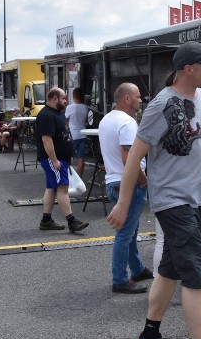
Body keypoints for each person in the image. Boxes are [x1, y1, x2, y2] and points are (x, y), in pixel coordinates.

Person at [106, 41, 201, 339]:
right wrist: (122, 203)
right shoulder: (161, 105)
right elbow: (135, 155)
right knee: (195, 275)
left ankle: (149, 336)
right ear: (187, 69)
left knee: (168, 271)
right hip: (171, 200)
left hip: (197, 198)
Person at [99, 83, 153, 294]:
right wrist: (143, 179)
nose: (141, 100)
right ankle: (120, 279)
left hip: (113, 181)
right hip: (128, 183)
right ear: (127, 99)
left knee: (130, 231)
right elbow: (128, 156)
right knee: (125, 234)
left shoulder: (107, 119)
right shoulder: (127, 122)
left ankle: (138, 269)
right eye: (138, 97)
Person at [35, 88, 89, 233]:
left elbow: (64, 134)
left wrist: (68, 154)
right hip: (54, 160)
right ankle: (72, 221)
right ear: (54, 98)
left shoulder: (58, 113)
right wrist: (54, 160)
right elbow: (47, 140)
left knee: (52, 188)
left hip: (60, 158)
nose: (66, 101)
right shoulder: (46, 115)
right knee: (62, 188)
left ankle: (46, 221)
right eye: (64, 98)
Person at [65, 87, 89, 178]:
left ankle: (68, 177)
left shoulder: (70, 107)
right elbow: (86, 120)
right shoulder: (85, 107)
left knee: (68, 156)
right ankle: (79, 178)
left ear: (73, 96)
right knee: (81, 158)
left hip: (73, 135)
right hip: (83, 134)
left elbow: (66, 119)